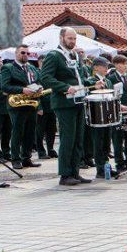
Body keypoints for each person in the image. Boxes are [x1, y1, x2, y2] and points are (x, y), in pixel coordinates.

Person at [39, 27, 97, 186]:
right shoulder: (54, 55)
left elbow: (79, 80)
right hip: (64, 103)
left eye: (74, 39)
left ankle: (75, 172)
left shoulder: (74, 56)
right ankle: (65, 174)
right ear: (61, 38)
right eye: (70, 38)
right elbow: (45, 78)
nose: (72, 41)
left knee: (79, 139)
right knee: (67, 139)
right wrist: (64, 87)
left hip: (78, 101)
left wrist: (93, 84)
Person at [0, 44, 42, 170]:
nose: (25, 55)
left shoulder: (32, 68)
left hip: (31, 103)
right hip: (17, 104)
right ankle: (15, 159)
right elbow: (5, 86)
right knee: (18, 132)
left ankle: (26, 158)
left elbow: (38, 81)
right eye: (23, 53)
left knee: (30, 132)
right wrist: (22, 90)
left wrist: (39, 88)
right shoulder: (8, 68)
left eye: (28, 53)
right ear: (16, 54)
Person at [107, 55, 127, 170]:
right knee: (118, 138)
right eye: (122, 64)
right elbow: (112, 95)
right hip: (117, 112)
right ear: (116, 65)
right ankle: (119, 163)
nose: (125, 66)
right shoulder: (112, 78)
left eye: (126, 64)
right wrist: (119, 106)